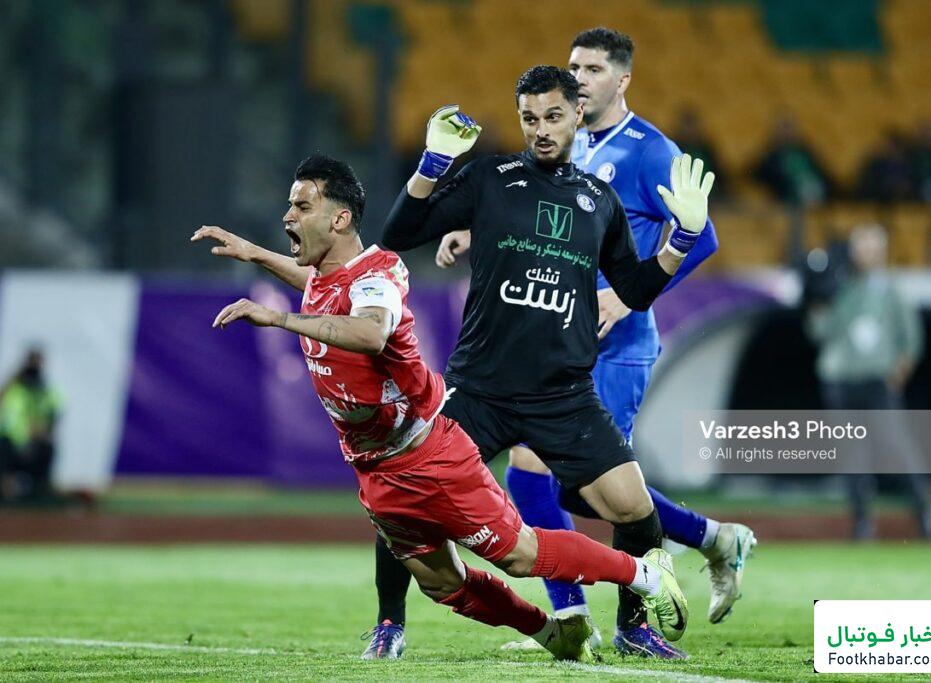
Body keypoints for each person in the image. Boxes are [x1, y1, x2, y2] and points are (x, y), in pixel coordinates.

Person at [192, 153, 689, 664]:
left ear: (339, 219)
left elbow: (371, 332)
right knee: (442, 584)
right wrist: (254, 254)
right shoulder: (326, 276)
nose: (288, 217)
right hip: (374, 466)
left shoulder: (378, 274)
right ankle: (552, 633)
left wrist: (278, 318)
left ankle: (645, 574)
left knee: (519, 556)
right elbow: (316, 287)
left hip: (427, 455)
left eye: (301, 206)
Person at [376, 64, 716, 660]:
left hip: (563, 395)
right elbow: (398, 232)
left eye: (553, 116)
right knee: (406, 494)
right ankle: (389, 624)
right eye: (529, 118)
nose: (541, 129)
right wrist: (432, 166)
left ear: (577, 114)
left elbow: (634, 290)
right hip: (480, 390)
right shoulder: (490, 179)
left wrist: (680, 240)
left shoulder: (600, 201)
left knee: (636, 511)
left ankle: (634, 628)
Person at [806, 224, 931, 540]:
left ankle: (924, 513)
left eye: (872, 247)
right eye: (861, 247)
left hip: (878, 381)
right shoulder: (839, 288)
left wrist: (899, 371)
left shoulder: (892, 290)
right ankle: (862, 522)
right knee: (851, 455)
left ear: (882, 252)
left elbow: (911, 338)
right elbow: (820, 332)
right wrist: (815, 300)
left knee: (897, 447)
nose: (866, 254)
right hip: (840, 381)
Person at [0, 348, 60, 503]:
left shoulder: (44, 390)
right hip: (11, 444)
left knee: (47, 447)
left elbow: (54, 412)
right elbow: (10, 422)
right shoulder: (15, 389)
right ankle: (6, 487)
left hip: (33, 443)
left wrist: (41, 431)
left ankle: (40, 489)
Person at [754, 113, 830, 206]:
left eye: (790, 129)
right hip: (792, 200)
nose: (788, 133)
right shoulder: (770, 158)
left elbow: (824, 174)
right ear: (775, 133)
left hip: (821, 196)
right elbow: (758, 177)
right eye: (783, 130)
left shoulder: (806, 152)